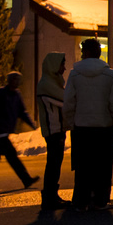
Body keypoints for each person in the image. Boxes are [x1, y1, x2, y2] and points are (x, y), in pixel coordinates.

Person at [63, 37, 113, 211]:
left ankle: (81, 201)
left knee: (82, 166)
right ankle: (101, 200)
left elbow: (69, 102)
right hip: (104, 127)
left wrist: (70, 122)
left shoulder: (75, 74)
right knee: (103, 167)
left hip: (81, 127)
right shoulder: (111, 75)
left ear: (85, 53)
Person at [0, 71, 38, 192]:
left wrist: (31, 124)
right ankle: (26, 179)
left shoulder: (17, 95)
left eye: (18, 80)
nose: (17, 82)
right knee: (12, 156)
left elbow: (22, 112)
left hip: (6, 129)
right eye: (15, 79)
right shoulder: (0, 93)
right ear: (10, 80)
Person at [35, 53, 70, 210]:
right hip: (53, 130)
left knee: (55, 164)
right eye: (62, 65)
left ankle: (51, 196)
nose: (64, 68)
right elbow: (65, 100)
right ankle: (49, 197)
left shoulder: (52, 82)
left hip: (57, 129)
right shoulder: (47, 85)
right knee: (53, 165)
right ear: (54, 66)